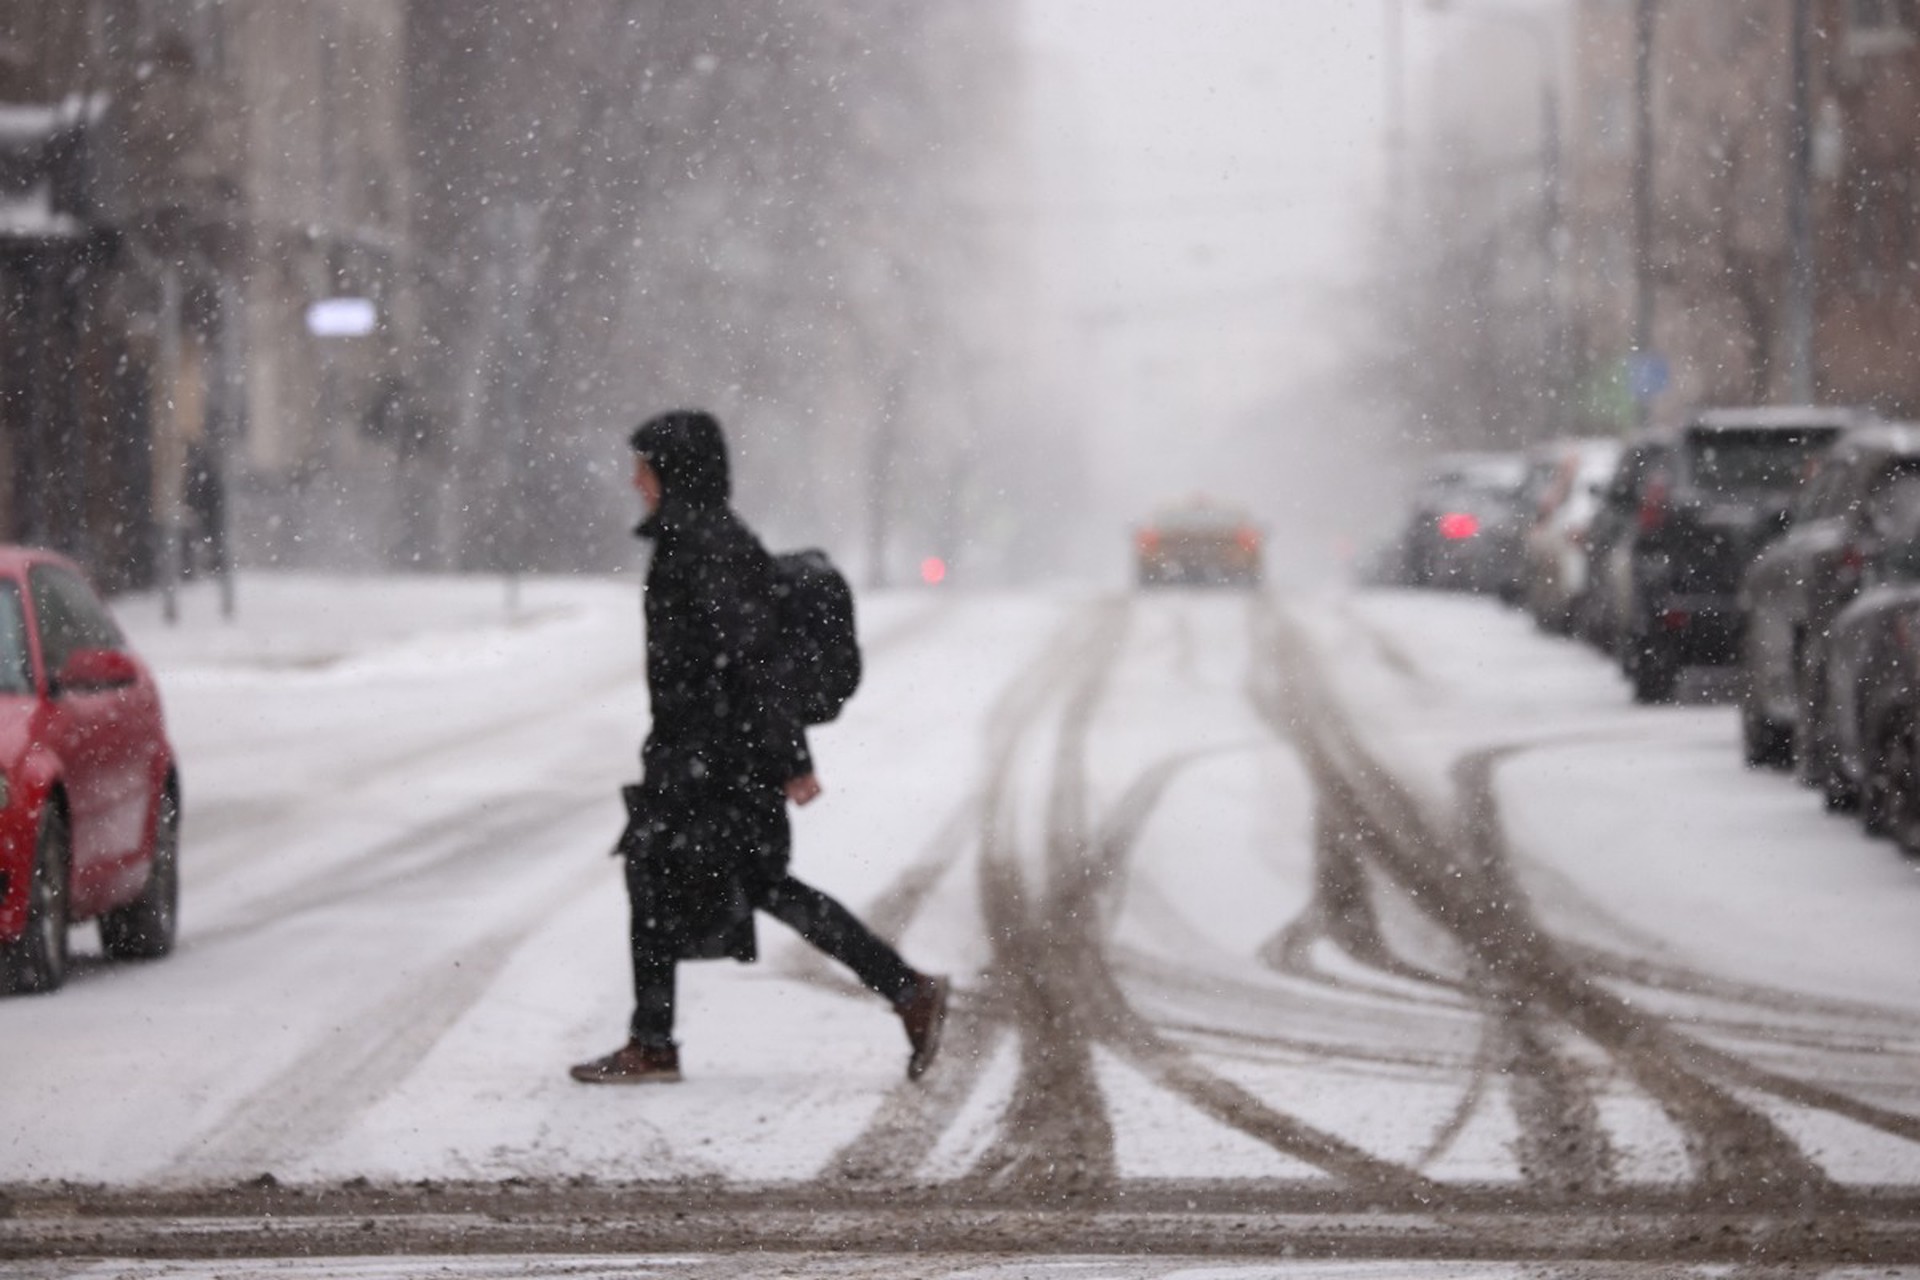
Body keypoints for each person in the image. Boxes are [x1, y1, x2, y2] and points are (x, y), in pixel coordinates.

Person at [571, 409, 949, 1085]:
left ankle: (907, 990)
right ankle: (654, 1040)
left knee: (745, 884)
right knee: (667, 877)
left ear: (675, 473)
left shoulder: (708, 548)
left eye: (645, 468)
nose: (635, 481)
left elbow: (757, 660)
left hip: (719, 759)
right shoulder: (698, 541)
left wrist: (788, 758)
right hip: (701, 753)